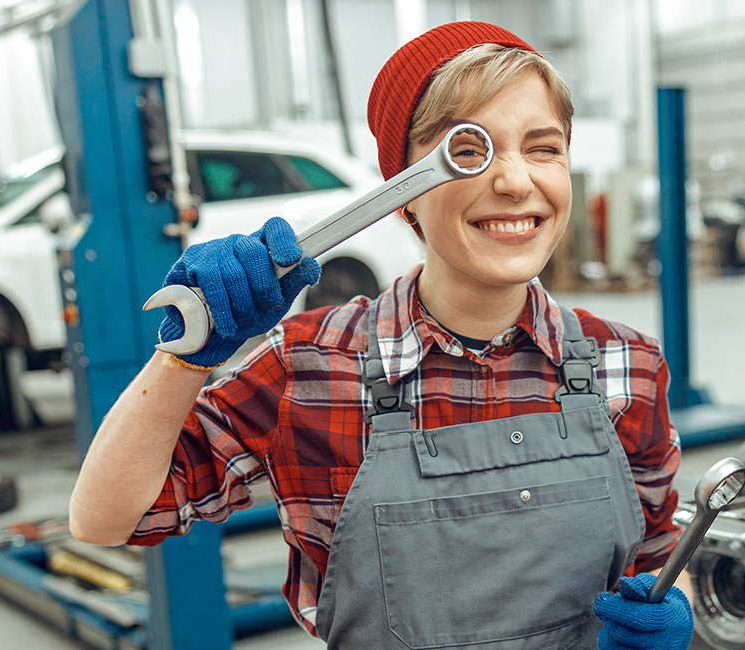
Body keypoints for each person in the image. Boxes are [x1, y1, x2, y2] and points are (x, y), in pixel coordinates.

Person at [69, 22, 693, 649]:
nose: (513, 182)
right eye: (471, 150)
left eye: (543, 148)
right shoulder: (308, 368)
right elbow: (106, 518)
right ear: (405, 193)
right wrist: (182, 360)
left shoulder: (627, 362)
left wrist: (669, 615)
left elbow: (663, 554)